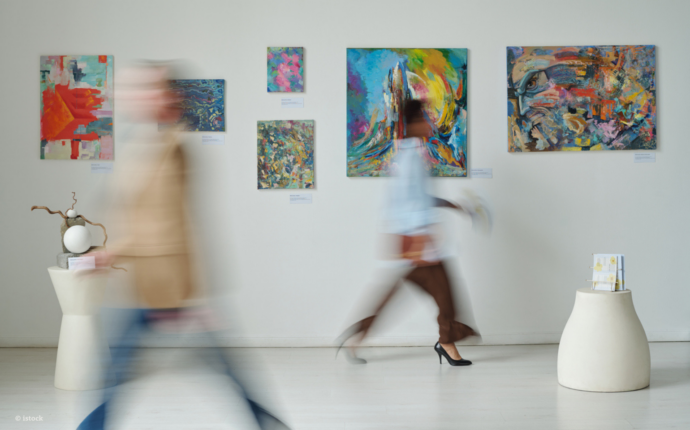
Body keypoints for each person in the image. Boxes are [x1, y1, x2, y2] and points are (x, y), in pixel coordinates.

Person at [76, 62, 288, 430]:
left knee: (117, 377)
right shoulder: (140, 144)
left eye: (146, 88)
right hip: (147, 287)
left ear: (165, 97)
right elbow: (138, 216)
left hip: (169, 290)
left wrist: (194, 295)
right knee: (120, 375)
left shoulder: (173, 149)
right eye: (133, 89)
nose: (135, 96)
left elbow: (177, 227)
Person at [337, 99, 479, 366]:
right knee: (444, 294)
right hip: (418, 240)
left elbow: (419, 197)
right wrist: (420, 238)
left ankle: (357, 337)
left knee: (400, 293)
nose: (430, 124)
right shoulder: (411, 157)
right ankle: (446, 342)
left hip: (415, 239)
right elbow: (408, 201)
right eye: (425, 119)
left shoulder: (410, 155)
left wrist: (452, 205)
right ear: (413, 124)